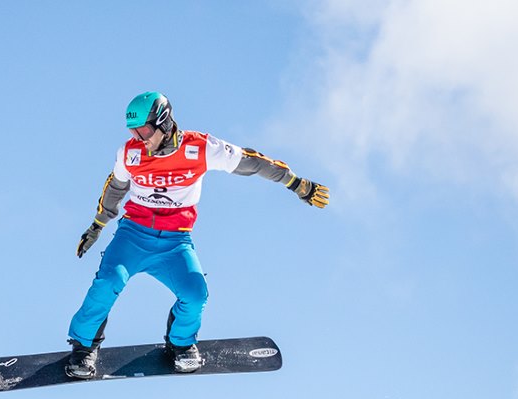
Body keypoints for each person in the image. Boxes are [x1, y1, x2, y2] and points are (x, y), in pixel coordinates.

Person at [66, 91, 329, 379]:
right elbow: (115, 187)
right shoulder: (129, 153)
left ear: (163, 123)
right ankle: (84, 348)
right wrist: (98, 225)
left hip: (175, 241)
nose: (139, 138)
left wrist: (296, 183)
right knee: (108, 282)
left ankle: (180, 344)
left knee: (195, 294)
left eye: (144, 130)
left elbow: (253, 163)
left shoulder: (200, 148)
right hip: (133, 235)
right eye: (134, 131)